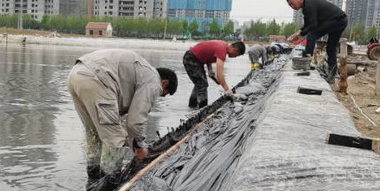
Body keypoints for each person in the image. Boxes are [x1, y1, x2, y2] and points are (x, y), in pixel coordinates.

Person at [67, 49, 177, 180]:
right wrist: (140, 147)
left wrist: (132, 140)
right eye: (162, 94)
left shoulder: (142, 71)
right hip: (96, 78)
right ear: (164, 83)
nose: (158, 96)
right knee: (116, 138)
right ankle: (109, 183)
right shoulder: (154, 81)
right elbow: (135, 122)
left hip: (76, 74)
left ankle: (93, 178)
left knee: (94, 133)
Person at [286, 0, 348, 83]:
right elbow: (307, 24)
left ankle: (306, 59)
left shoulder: (309, 5)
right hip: (341, 20)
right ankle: (332, 76)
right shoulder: (306, 8)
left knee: (312, 35)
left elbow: (313, 25)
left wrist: (301, 33)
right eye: (290, 5)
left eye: (292, 3)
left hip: (337, 20)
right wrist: (298, 33)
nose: (292, 6)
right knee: (330, 48)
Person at [182, 39, 246, 108]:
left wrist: (210, 69)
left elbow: (207, 54)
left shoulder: (223, 46)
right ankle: (202, 107)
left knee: (200, 83)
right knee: (202, 84)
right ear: (235, 50)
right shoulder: (222, 51)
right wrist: (227, 90)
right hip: (191, 58)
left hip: (195, 59)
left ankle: (192, 106)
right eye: (237, 55)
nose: (235, 57)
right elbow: (219, 74)